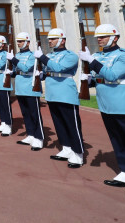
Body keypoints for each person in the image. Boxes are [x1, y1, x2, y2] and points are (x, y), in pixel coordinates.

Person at [79, 24, 125, 196]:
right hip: (106, 104)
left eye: (103, 36)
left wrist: (91, 61)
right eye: (98, 36)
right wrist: (87, 78)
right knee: (117, 140)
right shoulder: (97, 55)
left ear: (115, 38)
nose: (99, 39)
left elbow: (112, 75)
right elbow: (99, 78)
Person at [34, 28, 83, 168]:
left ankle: (78, 153)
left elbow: (59, 68)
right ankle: (66, 148)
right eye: (49, 39)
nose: (49, 41)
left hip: (65, 92)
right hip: (52, 92)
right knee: (59, 123)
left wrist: (42, 58)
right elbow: (46, 71)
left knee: (72, 124)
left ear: (62, 40)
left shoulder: (70, 55)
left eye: (53, 39)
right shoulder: (50, 55)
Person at [10, 32, 44, 151]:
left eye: (21, 41)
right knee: (25, 113)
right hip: (20, 87)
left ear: (28, 42)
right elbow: (16, 70)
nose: (18, 43)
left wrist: (13, 59)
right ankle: (30, 134)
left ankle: (39, 137)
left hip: (30, 87)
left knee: (34, 113)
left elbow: (25, 68)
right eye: (17, 41)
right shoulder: (17, 55)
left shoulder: (32, 55)